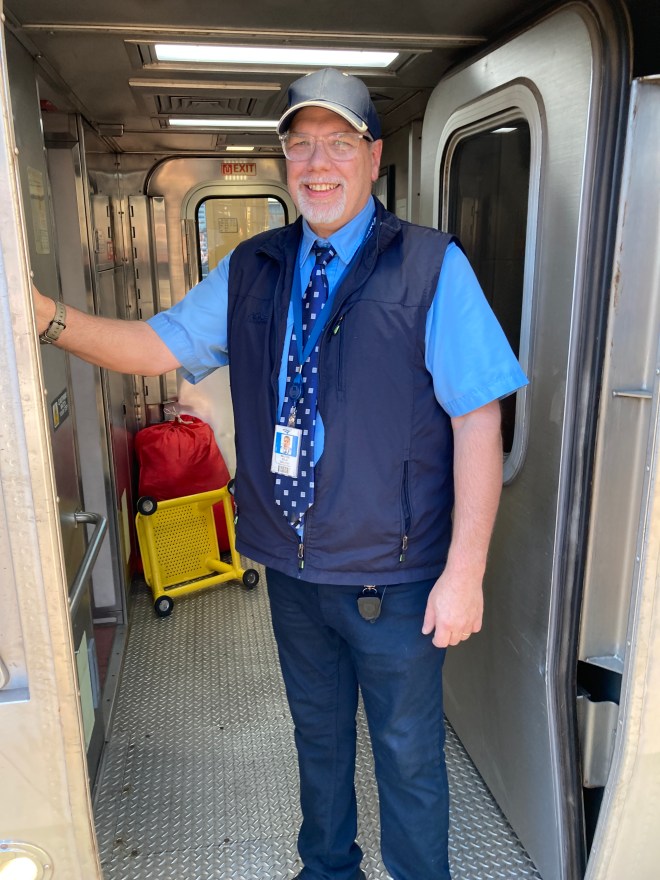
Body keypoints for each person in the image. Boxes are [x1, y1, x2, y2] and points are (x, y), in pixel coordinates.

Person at [34, 67, 527, 880]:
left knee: (407, 757)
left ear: (372, 157)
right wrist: (43, 317)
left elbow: (480, 419)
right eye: (301, 145)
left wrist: (464, 572)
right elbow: (154, 347)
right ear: (285, 161)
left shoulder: (432, 267)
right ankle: (325, 870)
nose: (318, 163)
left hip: (395, 576)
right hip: (295, 570)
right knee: (319, 739)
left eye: (338, 143)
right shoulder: (253, 266)